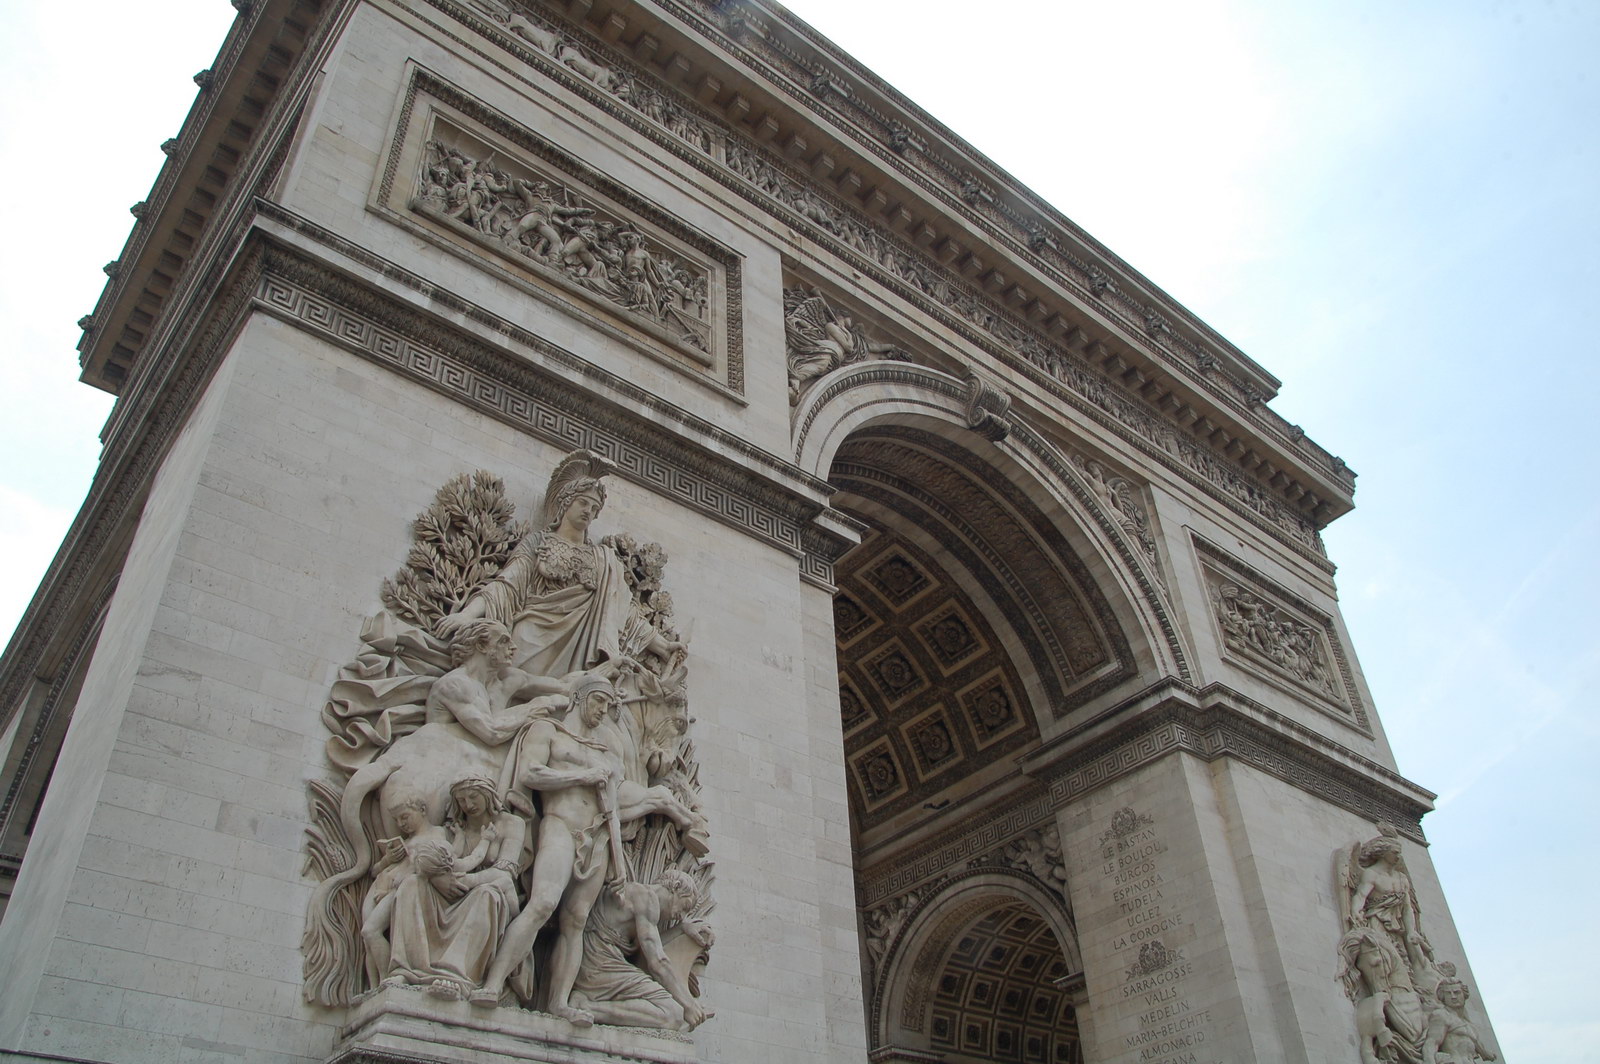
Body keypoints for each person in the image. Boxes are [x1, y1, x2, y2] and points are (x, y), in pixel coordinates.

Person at [436, 452, 682, 678]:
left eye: (595, 508)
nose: (589, 511)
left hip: (581, 646)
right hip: (531, 635)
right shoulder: (538, 542)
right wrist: (466, 615)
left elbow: (621, 611)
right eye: (583, 503)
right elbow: (506, 585)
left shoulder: (603, 559)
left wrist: (662, 646)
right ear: (566, 503)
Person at [569, 870, 712, 1030]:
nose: (681, 915)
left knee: (673, 1014)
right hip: (600, 967)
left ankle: (586, 1003)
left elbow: (646, 949)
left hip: (596, 966)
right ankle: (586, 1006)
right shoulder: (647, 897)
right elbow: (658, 962)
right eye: (685, 906)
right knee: (673, 1015)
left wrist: (681, 929)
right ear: (676, 887)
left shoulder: (639, 897)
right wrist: (689, 1004)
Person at [1424, 977, 1496, 1064]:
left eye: (1456, 992)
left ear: (1464, 994)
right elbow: (1431, 1044)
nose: (1453, 997)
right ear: (1443, 996)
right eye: (1448, 993)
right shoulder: (1442, 1015)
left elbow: (1483, 1052)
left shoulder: (1468, 1025)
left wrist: (1489, 1054)